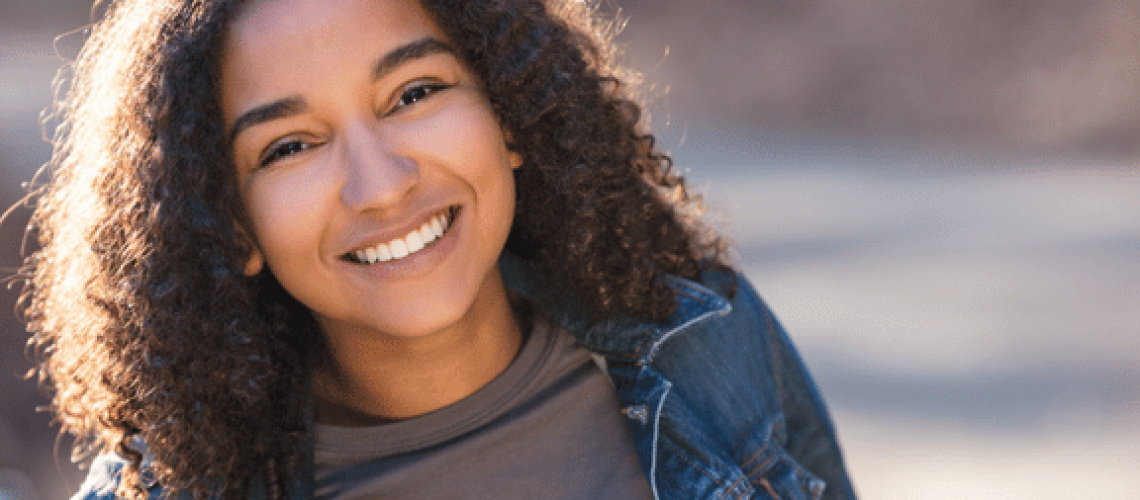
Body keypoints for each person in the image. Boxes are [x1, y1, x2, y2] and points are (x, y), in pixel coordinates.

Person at [21, 0, 856, 498]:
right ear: (229, 228)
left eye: (414, 93)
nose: (380, 185)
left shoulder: (700, 345)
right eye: (289, 147)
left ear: (509, 114)